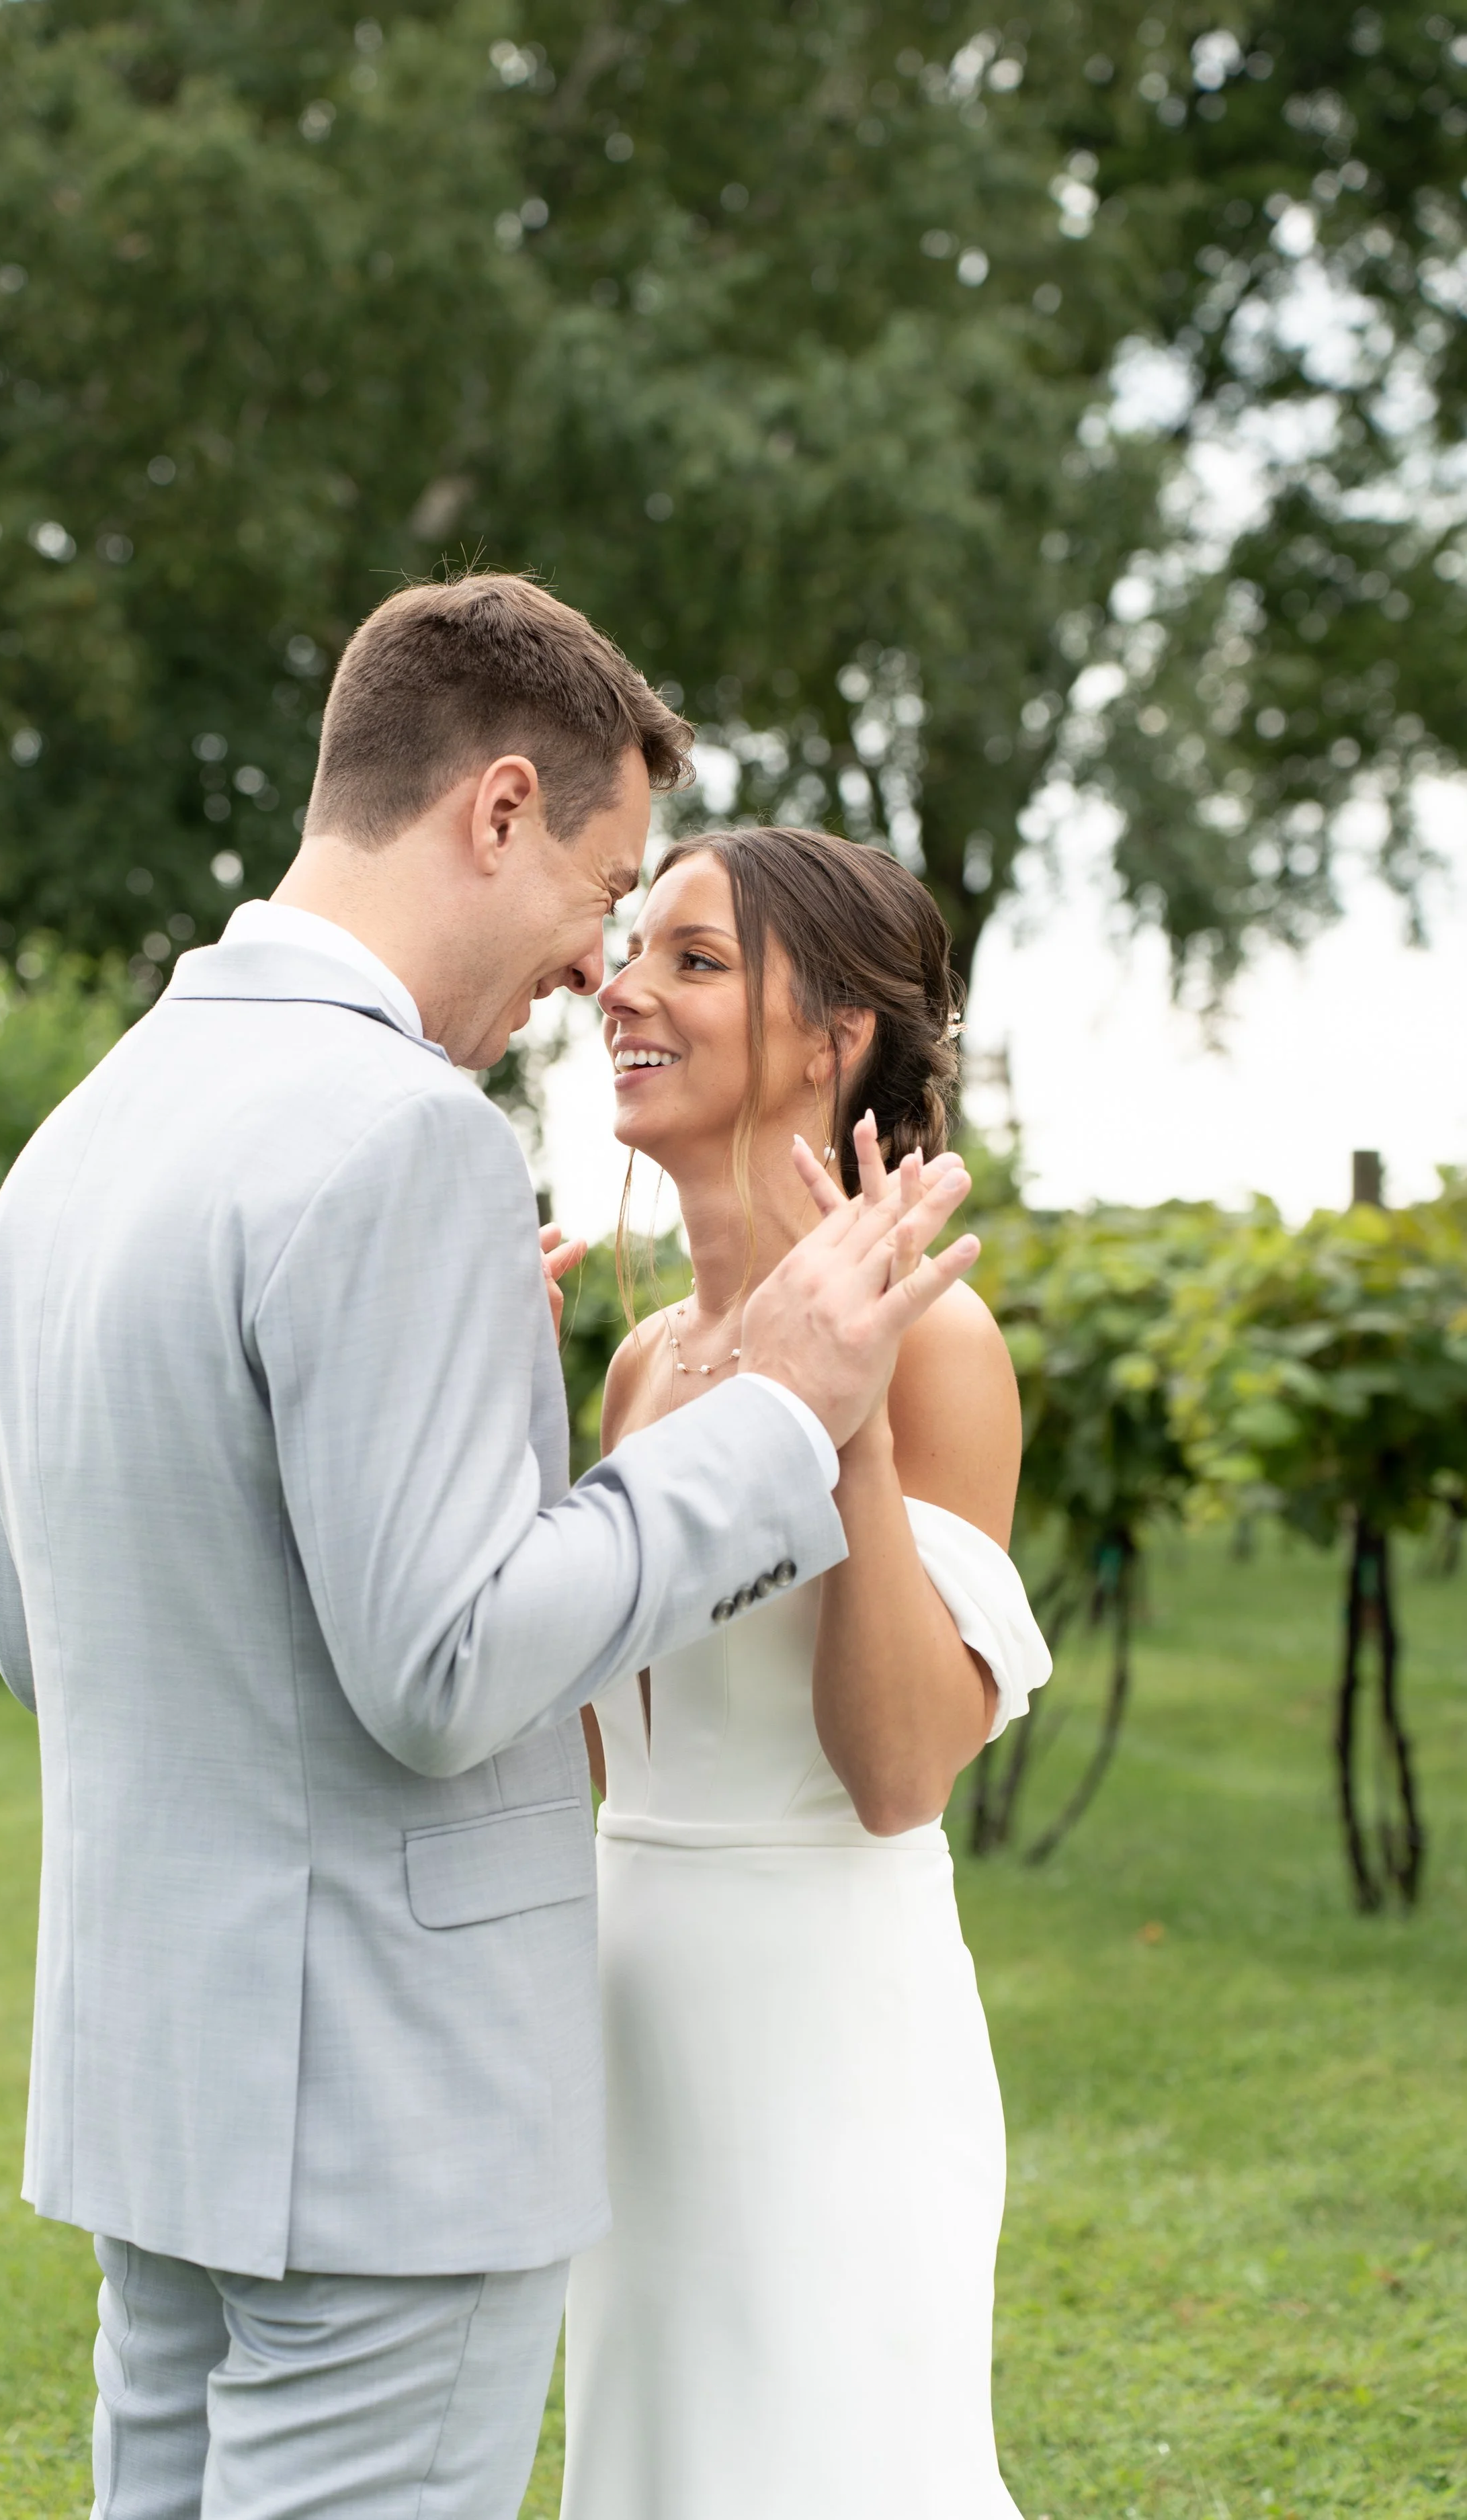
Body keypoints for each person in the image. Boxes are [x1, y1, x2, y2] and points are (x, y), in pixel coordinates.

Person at [0, 578, 984, 2520]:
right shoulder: (401, 1133)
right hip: (379, 2115)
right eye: (603, 890)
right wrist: (778, 1415)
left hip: (160, 2089)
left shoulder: (83, 1136)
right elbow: (441, 1670)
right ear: (497, 810)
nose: (583, 966)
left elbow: (45, 1623)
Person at [561, 827, 1052, 2520]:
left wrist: (831, 1427)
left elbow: (901, 1768)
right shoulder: (636, 1364)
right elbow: (606, 1752)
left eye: (693, 961)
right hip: (629, 2027)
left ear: (835, 1035)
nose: (622, 986)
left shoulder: (936, 1338)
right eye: (635, 948)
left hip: (826, 2044)